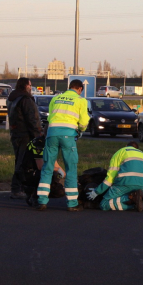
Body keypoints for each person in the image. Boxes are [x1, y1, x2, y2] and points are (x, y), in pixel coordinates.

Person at [36, 79, 90, 211]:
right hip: (68, 135)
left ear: (69, 87)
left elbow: (49, 118)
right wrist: (81, 130)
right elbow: (84, 121)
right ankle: (72, 203)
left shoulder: (56, 98)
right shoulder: (80, 100)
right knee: (71, 168)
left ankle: (42, 201)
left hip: (52, 134)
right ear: (80, 89)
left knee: (47, 167)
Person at [86, 142, 143, 212]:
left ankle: (132, 200)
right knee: (128, 192)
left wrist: (97, 191)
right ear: (137, 148)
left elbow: (110, 178)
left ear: (126, 146)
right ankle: (141, 197)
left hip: (125, 182)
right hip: (142, 185)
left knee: (104, 204)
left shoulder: (120, 152)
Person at [7, 78, 43, 199]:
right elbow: (31, 119)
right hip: (25, 134)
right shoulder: (25, 99)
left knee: (20, 160)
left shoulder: (12, 98)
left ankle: (20, 187)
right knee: (23, 162)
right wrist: (38, 135)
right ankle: (16, 188)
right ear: (25, 85)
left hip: (16, 133)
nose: (30, 87)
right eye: (30, 85)